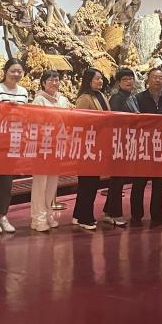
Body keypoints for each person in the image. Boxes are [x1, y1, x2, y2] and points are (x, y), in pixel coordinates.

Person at [0, 58, 29, 234]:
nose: (16, 74)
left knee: (7, 182)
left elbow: (26, 116)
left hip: (14, 141)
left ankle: (2, 215)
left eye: (19, 71)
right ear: (5, 72)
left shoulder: (24, 92)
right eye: (13, 71)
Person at [132, 68, 162, 226]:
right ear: (148, 80)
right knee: (139, 183)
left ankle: (157, 215)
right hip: (142, 145)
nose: (157, 80)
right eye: (154, 77)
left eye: (160, 78)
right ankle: (136, 215)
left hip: (160, 146)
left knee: (158, 183)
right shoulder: (138, 98)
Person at [29, 70, 71, 232]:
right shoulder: (39, 100)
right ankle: (37, 218)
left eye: (57, 80)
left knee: (52, 183)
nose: (54, 83)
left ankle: (48, 214)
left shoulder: (63, 100)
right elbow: (34, 122)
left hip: (57, 145)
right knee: (40, 184)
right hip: (42, 146)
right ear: (43, 83)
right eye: (51, 80)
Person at [73, 67, 109, 231]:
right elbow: (79, 121)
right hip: (87, 145)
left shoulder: (101, 95)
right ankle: (84, 217)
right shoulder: (84, 98)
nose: (100, 81)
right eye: (97, 78)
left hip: (99, 145)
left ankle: (78, 214)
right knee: (87, 184)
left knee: (93, 183)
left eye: (101, 78)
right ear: (89, 80)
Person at [102, 68, 137, 227]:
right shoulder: (116, 98)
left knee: (118, 180)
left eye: (130, 78)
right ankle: (115, 214)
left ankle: (108, 211)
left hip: (128, 142)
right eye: (125, 79)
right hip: (118, 143)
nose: (128, 82)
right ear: (118, 83)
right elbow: (114, 120)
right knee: (117, 180)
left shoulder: (132, 97)